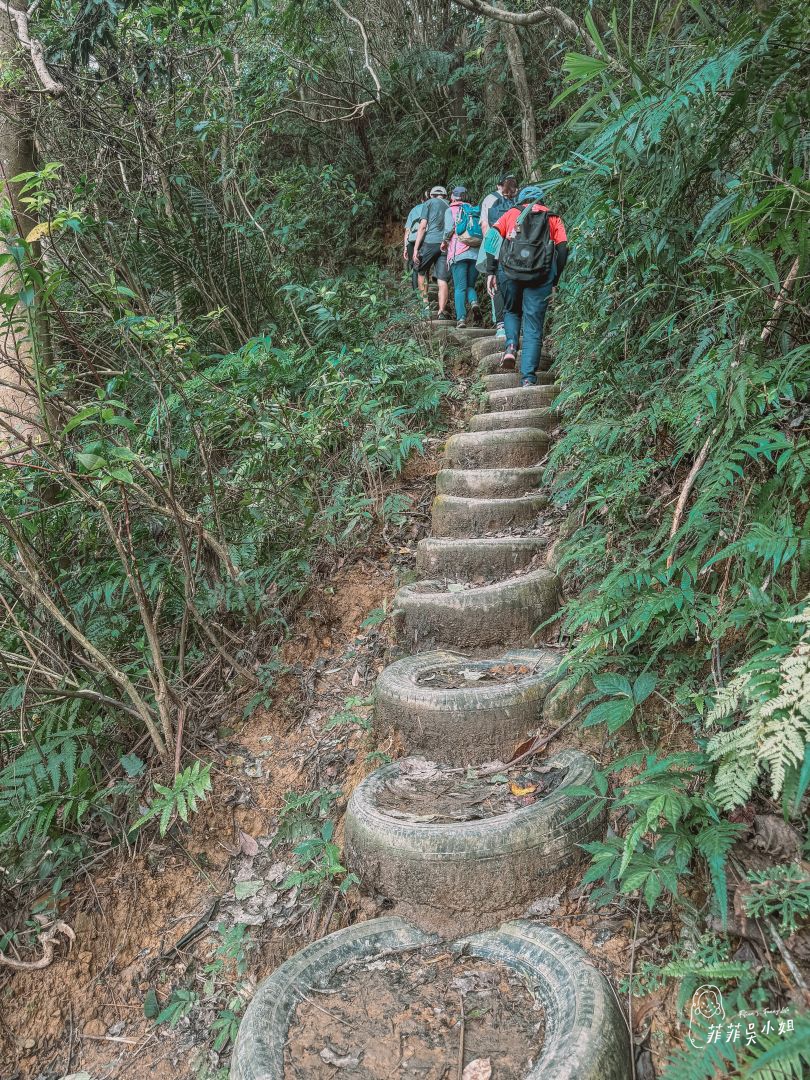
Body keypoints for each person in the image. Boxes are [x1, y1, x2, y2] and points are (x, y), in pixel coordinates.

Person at [486, 184, 568, 385]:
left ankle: (511, 346)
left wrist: (491, 272)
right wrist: (554, 279)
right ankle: (528, 379)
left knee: (512, 311)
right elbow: (563, 249)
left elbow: (492, 240)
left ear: (520, 199)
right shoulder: (552, 217)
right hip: (541, 275)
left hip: (510, 273)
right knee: (533, 326)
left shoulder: (511, 214)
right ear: (542, 200)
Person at [480, 173, 517, 338]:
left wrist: (490, 268)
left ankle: (501, 326)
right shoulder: (522, 203)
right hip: (521, 253)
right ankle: (518, 326)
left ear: (499, 186)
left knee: (497, 287)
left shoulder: (493, 204)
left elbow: (489, 232)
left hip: (499, 251)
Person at [442, 186, 481, 328]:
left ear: (453, 196)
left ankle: (461, 319)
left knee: (459, 288)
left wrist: (444, 242)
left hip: (458, 253)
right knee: (470, 285)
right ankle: (474, 302)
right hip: (475, 253)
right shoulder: (474, 210)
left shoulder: (450, 210)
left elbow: (448, 230)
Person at [412, 185, 451, 320]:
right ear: (445, 196)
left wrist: (416, 249)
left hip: (430, 242)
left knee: (421, 271)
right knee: (442, 279)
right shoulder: (450, 205)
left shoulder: (428, 203)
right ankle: (441, 311)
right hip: (446, 245)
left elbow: (423, 226)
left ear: (431, 195)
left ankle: (425, 306)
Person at [403, 190, 430, 289]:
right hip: (426, 240)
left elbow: (407, 230)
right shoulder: (432, 208)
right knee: (424, 267)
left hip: (412, 241)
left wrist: (405, 247)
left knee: (415, 267)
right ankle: (424, 295)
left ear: (422, 199)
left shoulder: (414, 210)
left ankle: (416, 294)